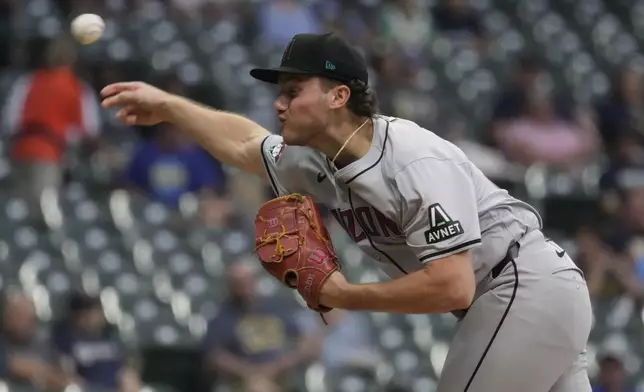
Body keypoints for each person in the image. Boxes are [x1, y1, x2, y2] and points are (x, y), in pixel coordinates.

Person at [101, 32, 593, 391]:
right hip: (519, 298)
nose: (278, 103)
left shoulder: (411, 157)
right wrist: (170, 106)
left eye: (293, 91)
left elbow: (452, 283)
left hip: (520, 286)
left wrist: (344, 295)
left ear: (339, 95)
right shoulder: (317, 158)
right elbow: (245, 145)